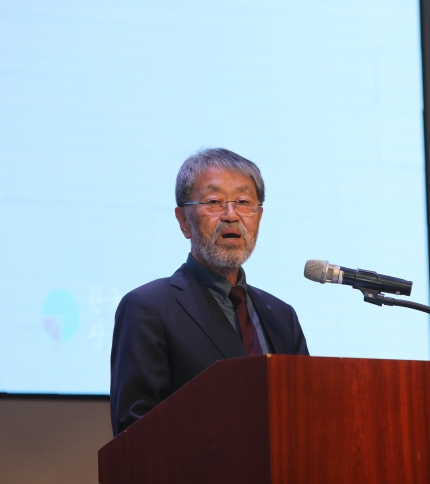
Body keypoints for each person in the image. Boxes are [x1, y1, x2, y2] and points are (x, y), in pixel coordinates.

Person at [110, 148, 309, 436]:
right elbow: (135, 433)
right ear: (183, 221)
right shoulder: (148, 308)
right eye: (214, 202)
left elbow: (305, 413)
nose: (231, 215)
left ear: (259, 216)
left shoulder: (281, 316)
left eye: (243, 202)